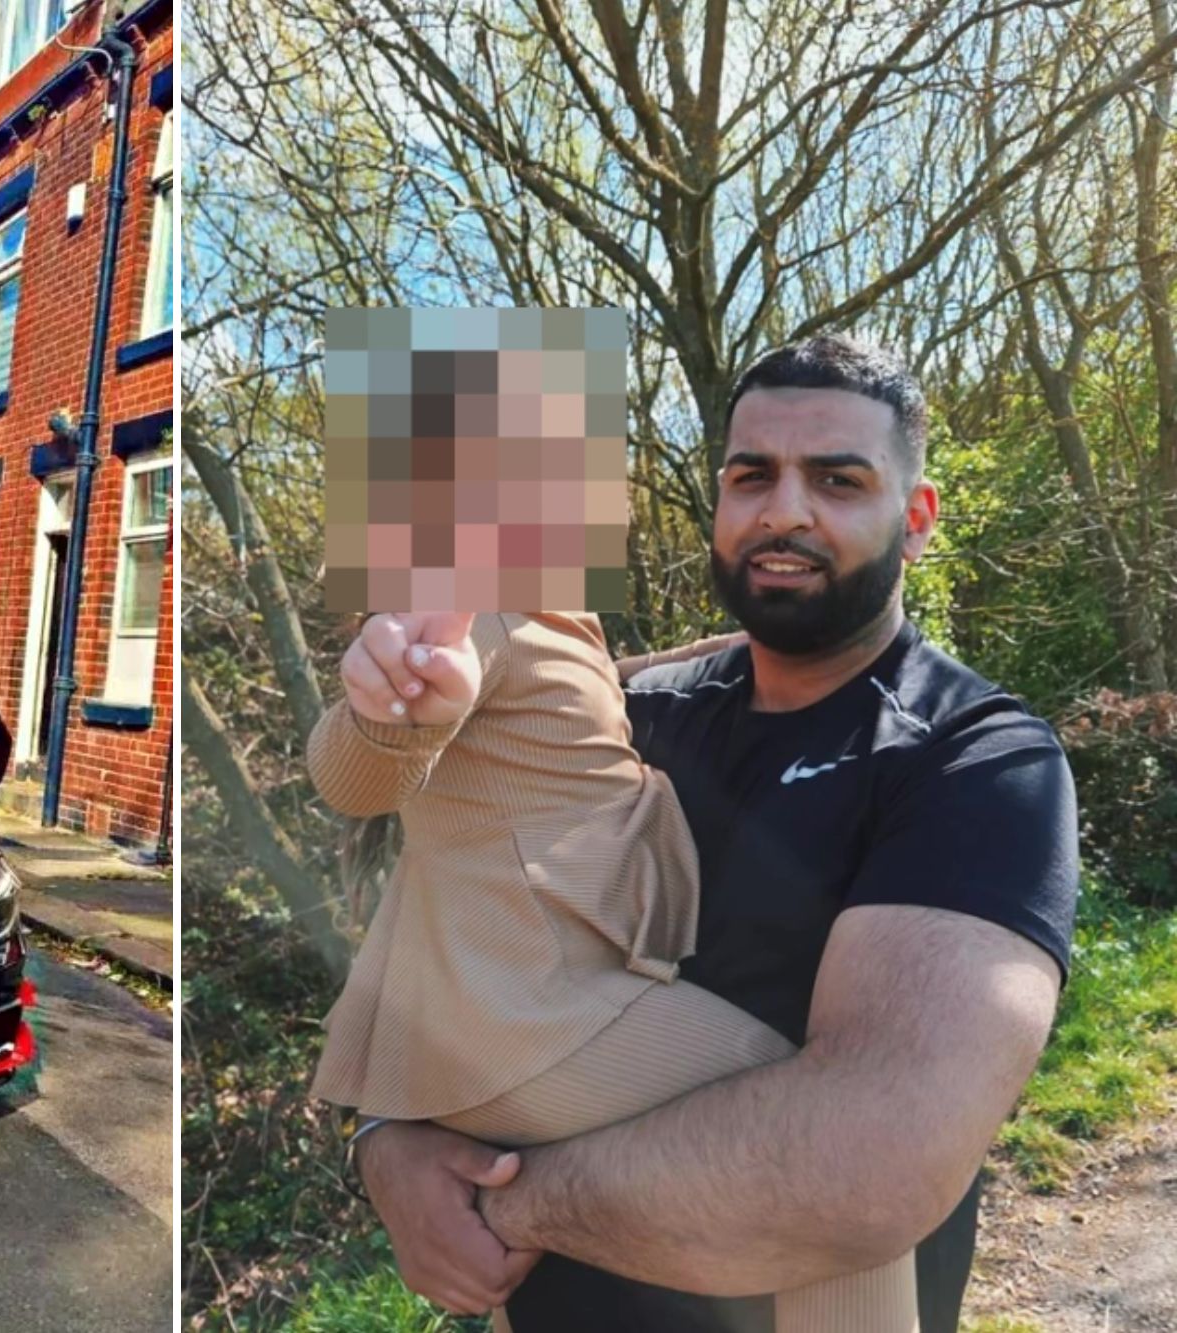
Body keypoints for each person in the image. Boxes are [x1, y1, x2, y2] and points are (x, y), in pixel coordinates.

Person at [339, 336, 1079, 1331]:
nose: (782, 509)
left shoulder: (977, 761)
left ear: (914, 522)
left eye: (836, 478)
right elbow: (448, 895)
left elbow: (866, 1166)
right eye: (750, 475)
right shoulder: (630, 716)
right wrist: (388, 1139)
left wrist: (502, 1199)